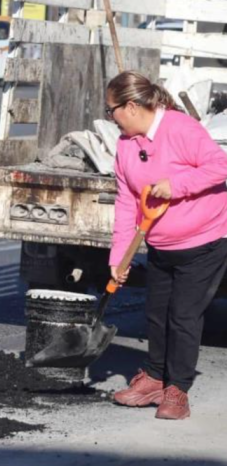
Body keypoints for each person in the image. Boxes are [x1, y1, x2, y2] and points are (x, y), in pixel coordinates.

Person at [106, 71, 227, 420]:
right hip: (161, 244)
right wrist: (119, 256)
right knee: (156, 314)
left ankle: (178, 390)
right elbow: (126, 202)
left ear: (130, 106)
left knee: (184, 316)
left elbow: (219, 166)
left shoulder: (180, 128)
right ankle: (155, 377)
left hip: (204, 242)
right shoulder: (126, 145)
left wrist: (177, 185)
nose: (109, 117)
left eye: (111, 109)